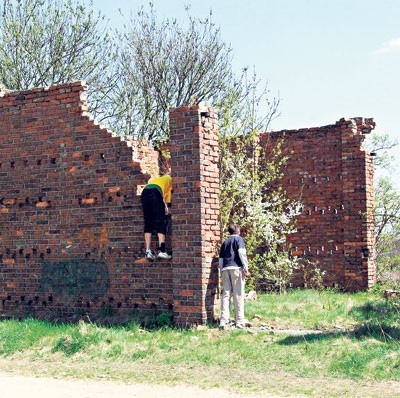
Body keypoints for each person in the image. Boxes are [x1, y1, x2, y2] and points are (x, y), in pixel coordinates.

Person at [218, 223, 249, 329]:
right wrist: (245, 267)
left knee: (226, 294)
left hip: (225, 269)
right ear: (238, 231)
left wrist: (221, 269)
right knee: (238, 294)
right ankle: (239, 320)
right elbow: (241, 253)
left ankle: (223, 320)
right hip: (236, 268)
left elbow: (221, 259)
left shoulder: (225, 242)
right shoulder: (239, 240)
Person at [141, 173, 172, 260]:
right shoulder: (170, 179)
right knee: (160, 220)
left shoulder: (160, 179)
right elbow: (168, 198)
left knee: (148, 222)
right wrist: (168, 208)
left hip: (145, 192)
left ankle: (148, 252)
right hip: (155, 192)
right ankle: (162, 251)